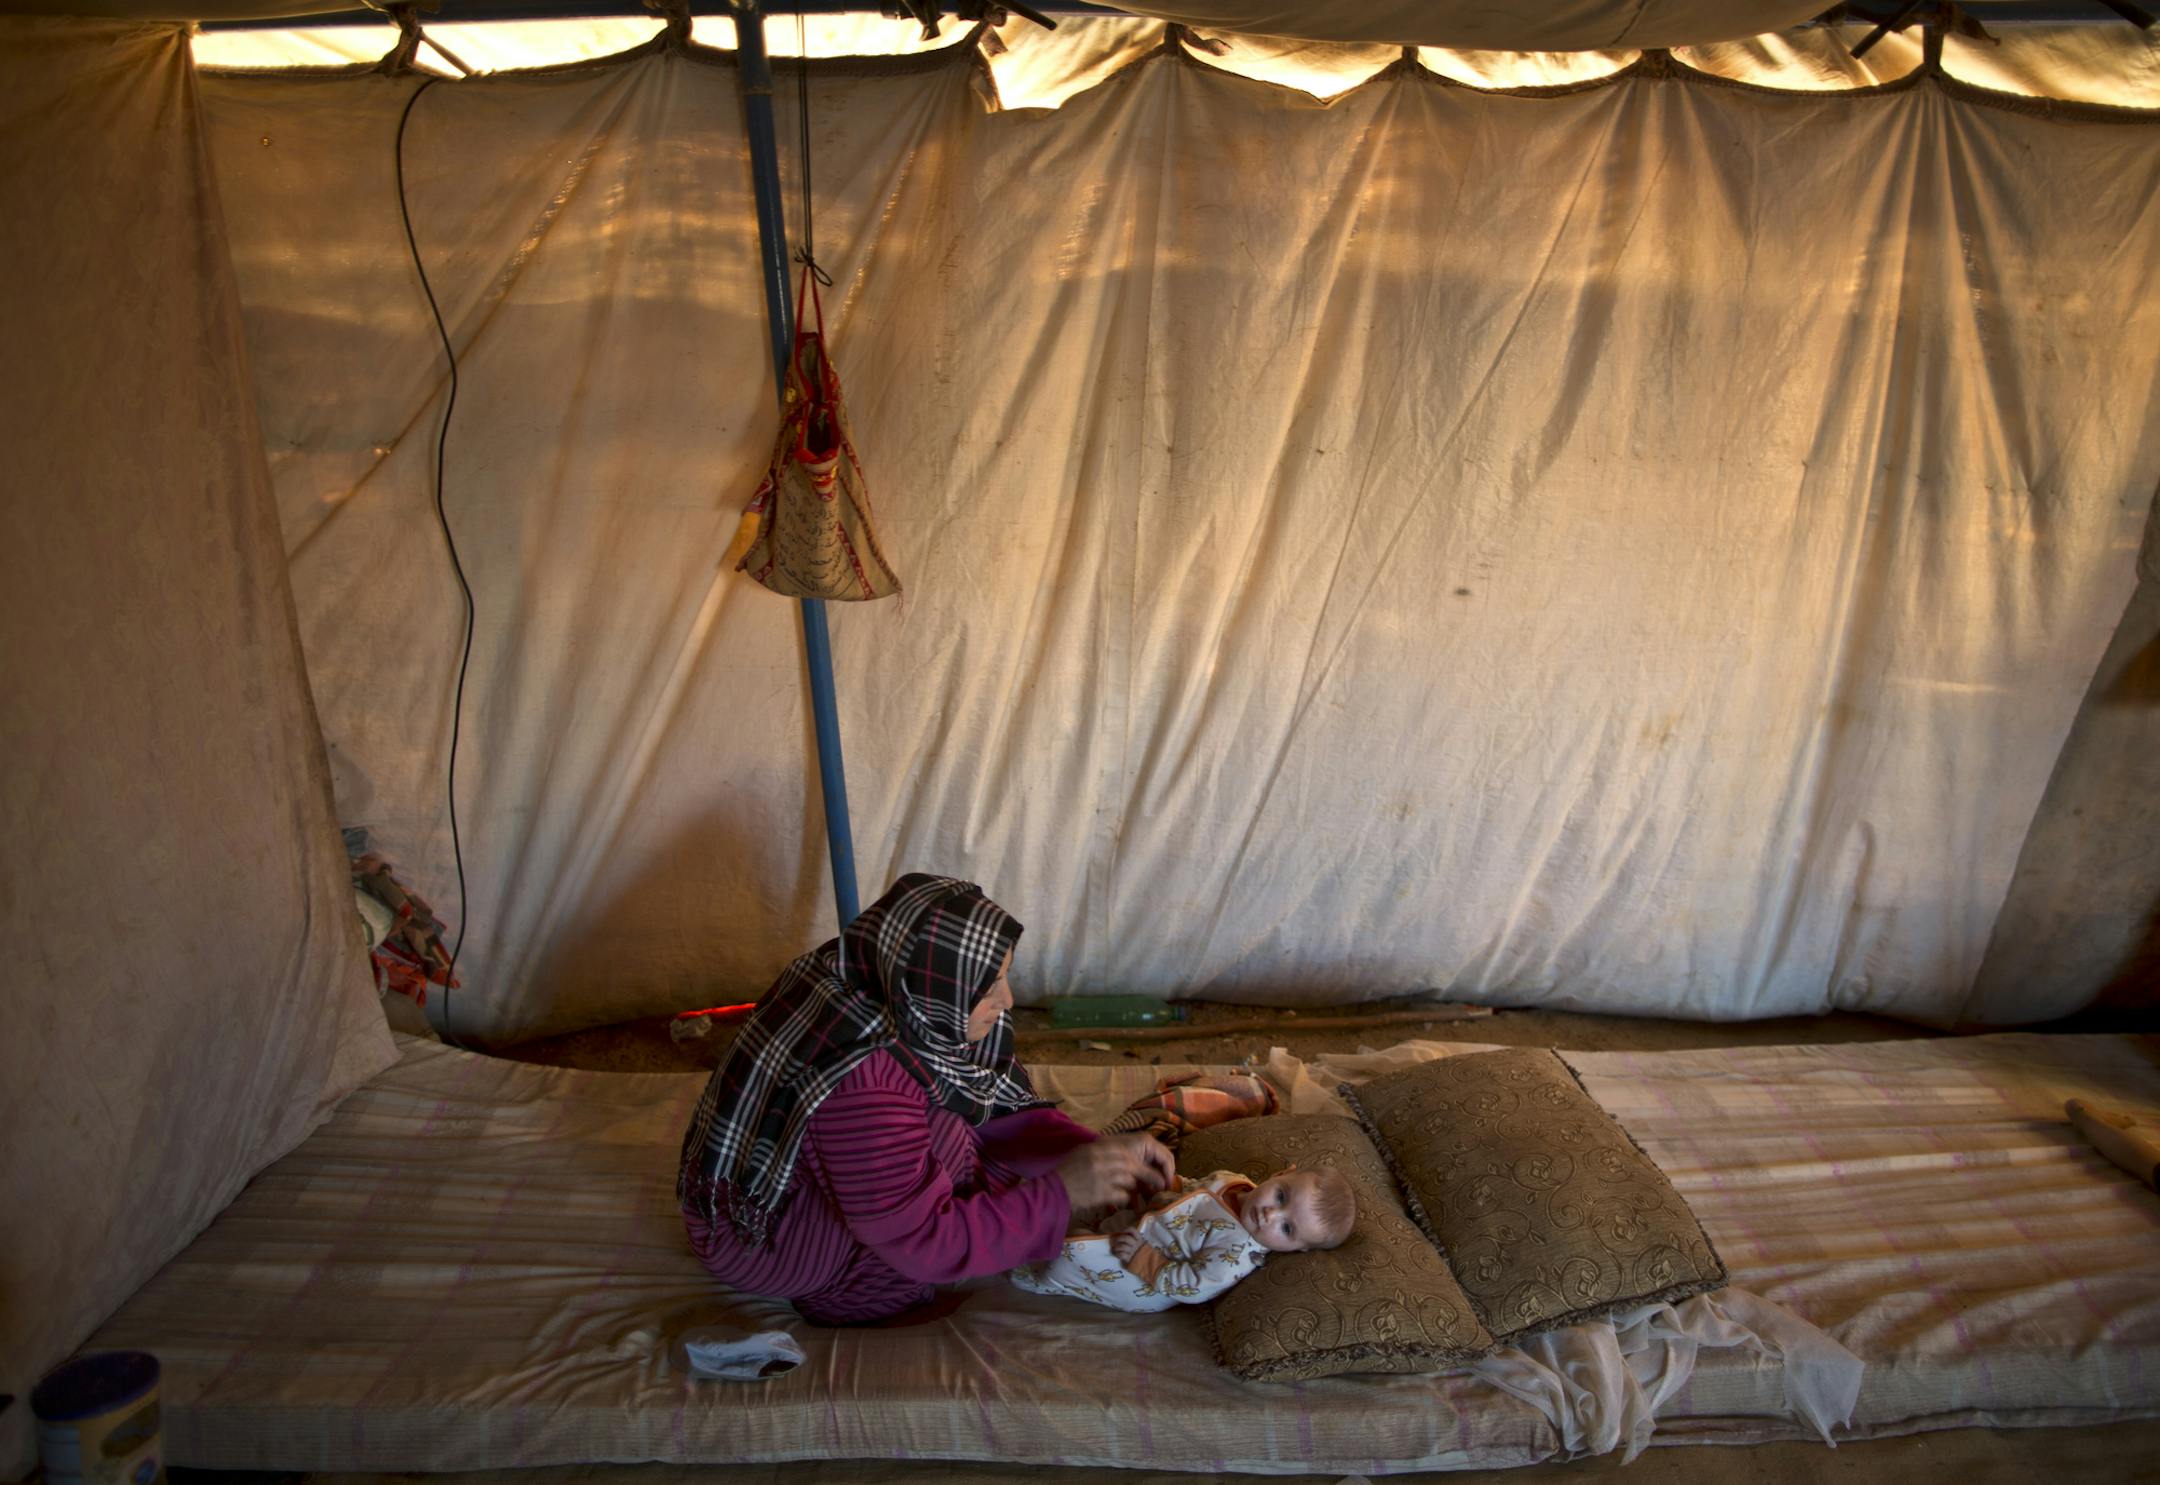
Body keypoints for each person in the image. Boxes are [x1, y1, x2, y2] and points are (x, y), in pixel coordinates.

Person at [675, 872, 1174, 1325]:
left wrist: (1092, 1155)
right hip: (762, 1242)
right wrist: (1060, 1193)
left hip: (790, 1182)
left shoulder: (875, 978)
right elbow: (924, 1244)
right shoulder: (865, 1077)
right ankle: (854, 1295)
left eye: (1003, 976)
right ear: (938, 986)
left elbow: (995, 1107)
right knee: (949, 1146)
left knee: (964, 1130)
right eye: (988, 986)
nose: (1007, 1001)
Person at [1012, 1165, 1356, 1312]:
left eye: (1287, 1229)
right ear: (1282, 1174)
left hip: (1146, 1281)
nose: (1270, 1214)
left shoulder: (1234, 1256)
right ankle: (1035, 1209)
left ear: (1298, 1249)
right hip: (1147, 1223)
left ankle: (1044, 1278)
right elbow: (1195, 1189)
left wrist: (1144, 1258)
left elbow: (1191, 1286)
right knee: (1097, 1187)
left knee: (1073, 1248)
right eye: (1281, 1197)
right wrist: (1169, 1184)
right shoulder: (1232, 1180)